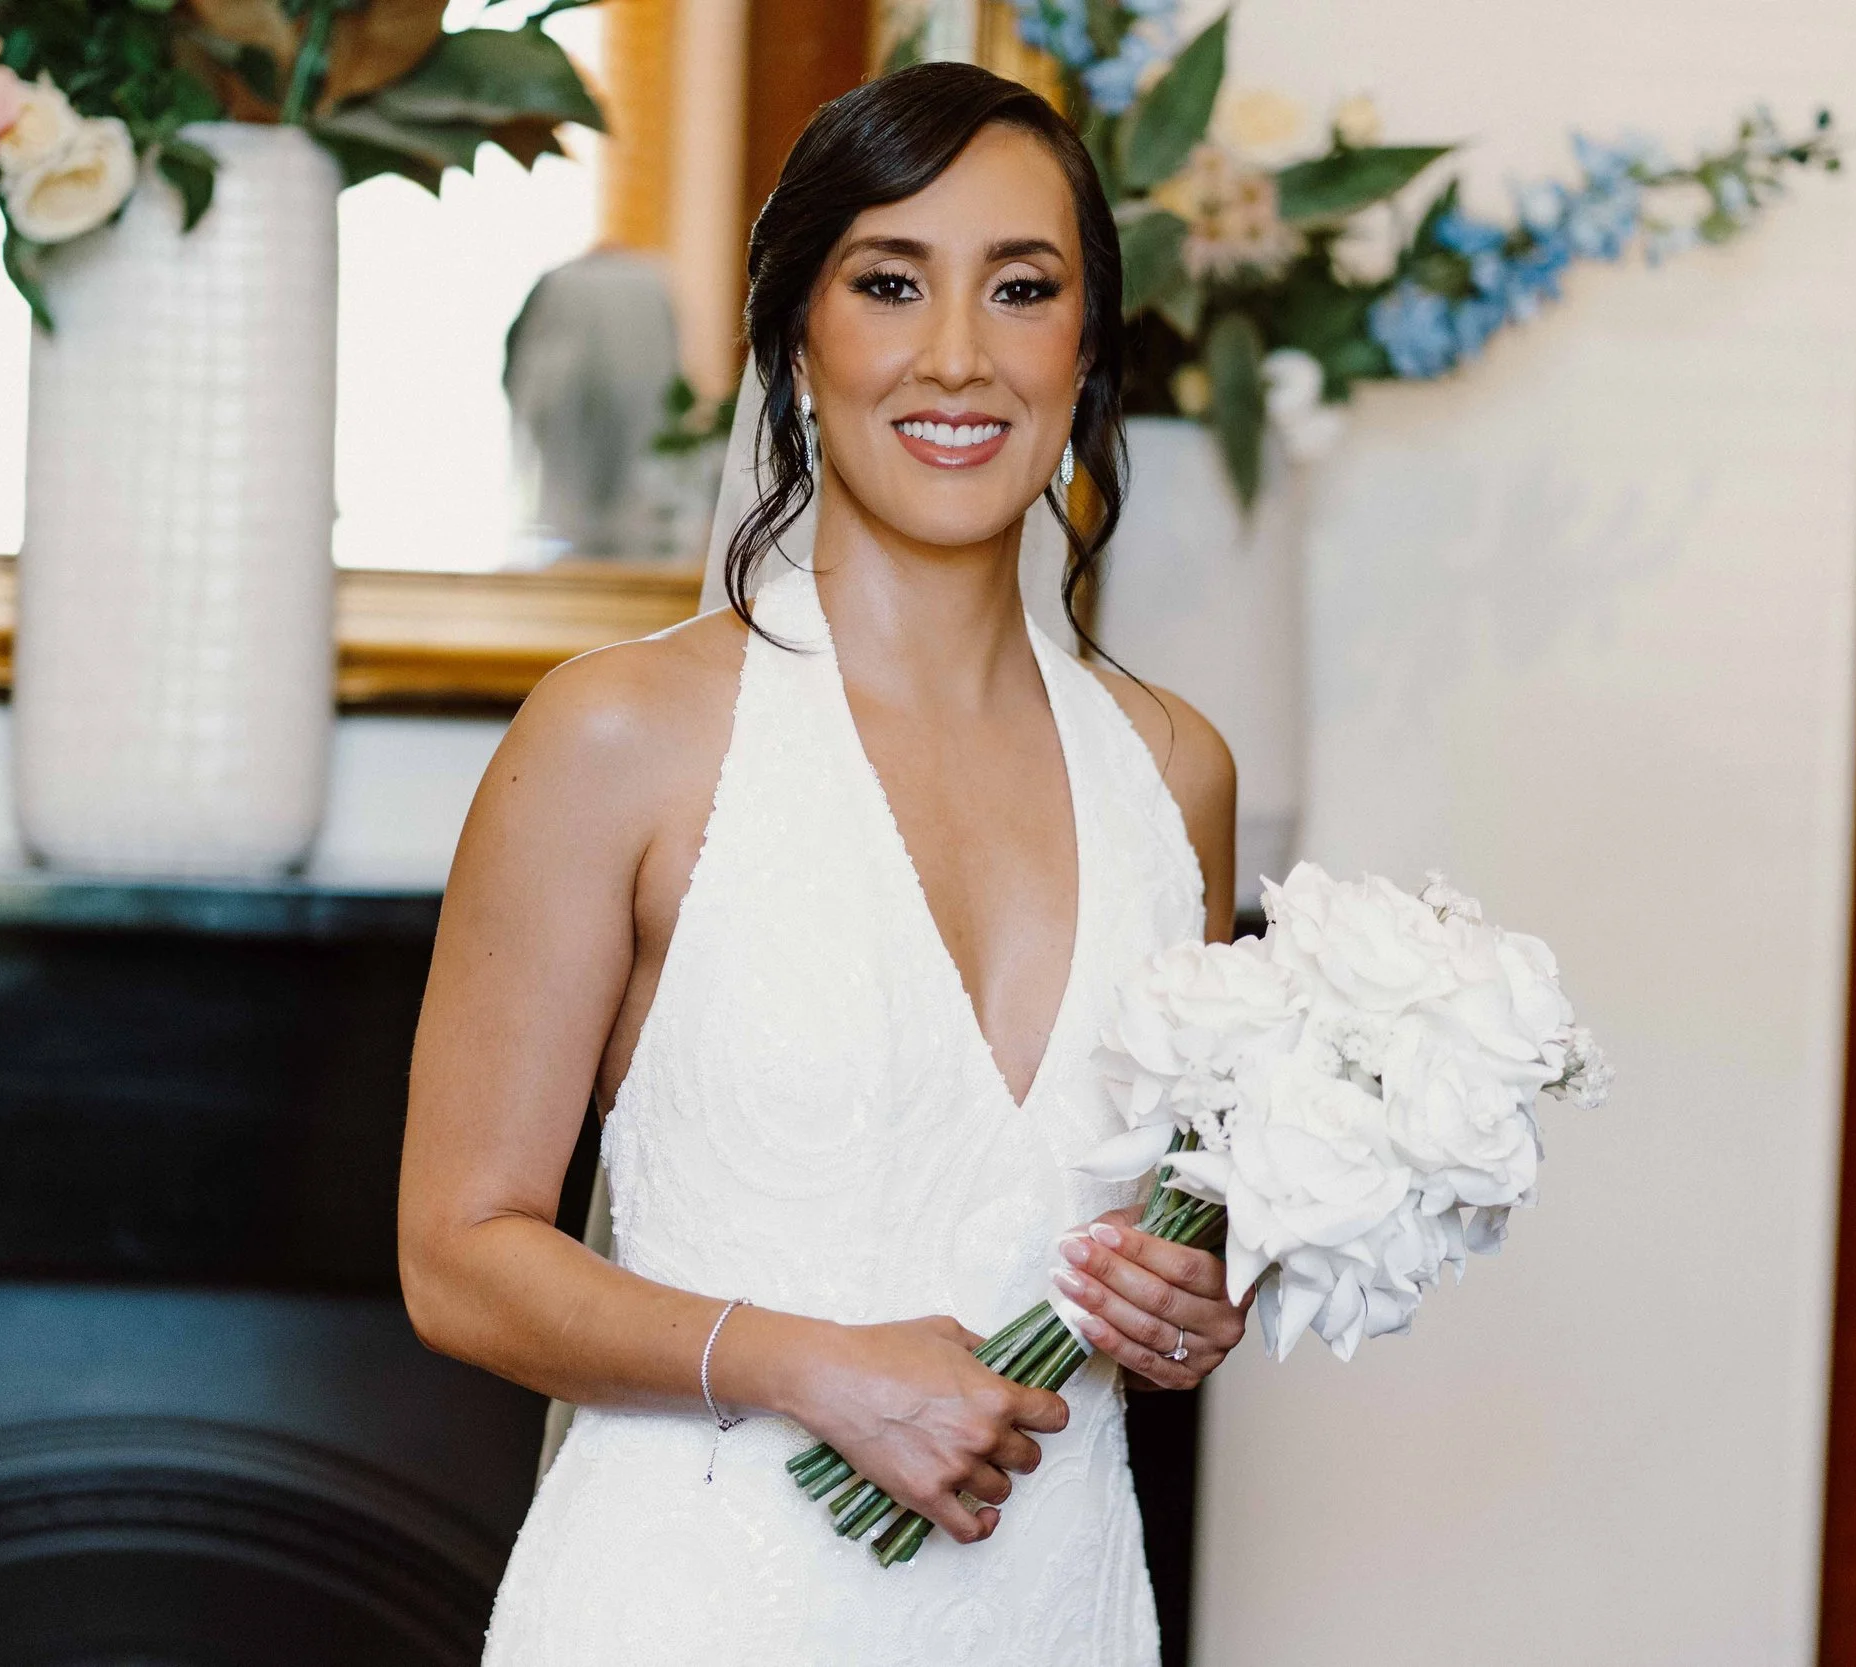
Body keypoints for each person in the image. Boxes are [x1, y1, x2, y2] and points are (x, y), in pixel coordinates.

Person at [397, 62, 1243, 1665]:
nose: (957, 354)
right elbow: (456, 1257)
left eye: (1022, 288)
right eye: (890, 284)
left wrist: (1193, 1303)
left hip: (1052, 1608)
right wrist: (813, 1364)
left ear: (1085, 345)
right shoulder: (619, 736)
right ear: (797, 337)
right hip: (688, 1612)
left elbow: (1147, 1232)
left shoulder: (1175, 773)